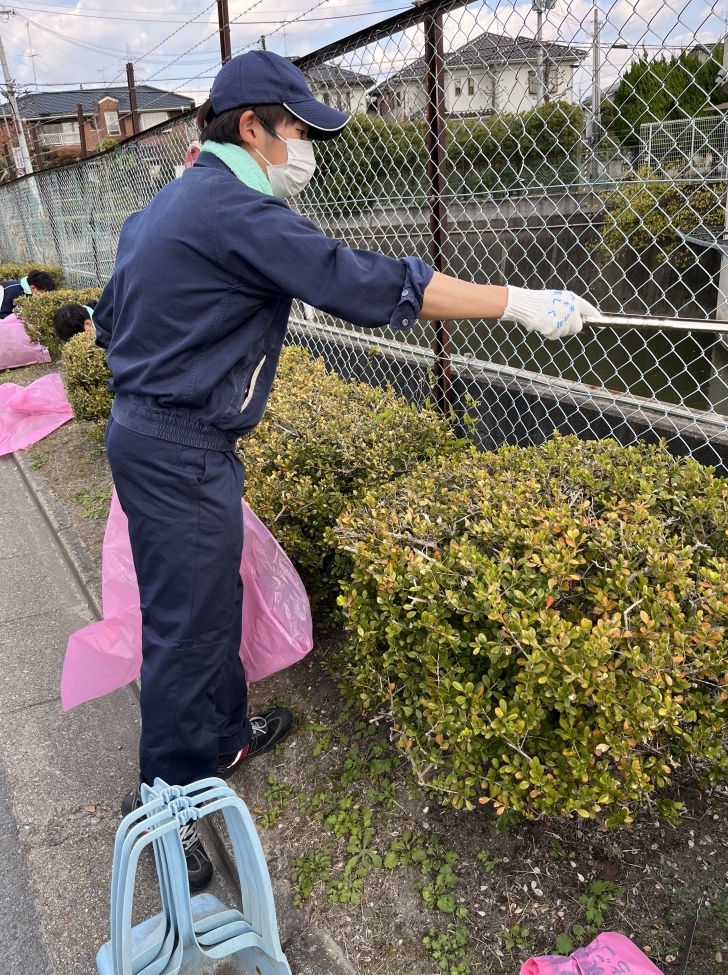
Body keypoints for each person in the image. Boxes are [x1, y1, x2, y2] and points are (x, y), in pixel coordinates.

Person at [93, 50, 599, 892]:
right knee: (186, 621)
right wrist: (514, 302)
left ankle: (221, 735)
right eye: (295, 128)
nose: (303, 146)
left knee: (209, 597)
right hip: (178, 444)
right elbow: (359, 282)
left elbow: (112, 319)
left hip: (160, 435)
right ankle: (161, 802)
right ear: (250, 126)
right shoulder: (231, 210)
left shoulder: (170, 205)